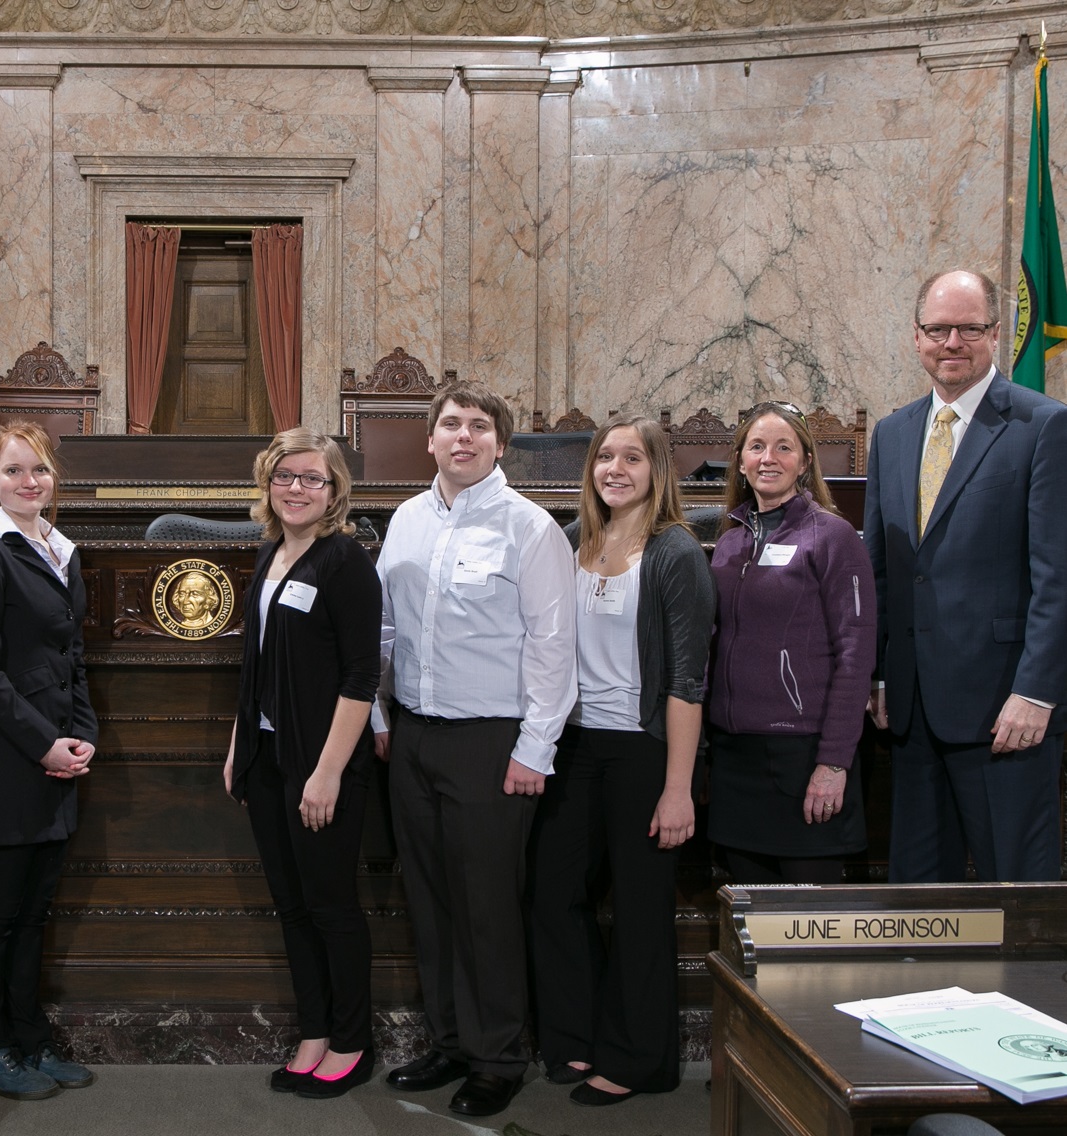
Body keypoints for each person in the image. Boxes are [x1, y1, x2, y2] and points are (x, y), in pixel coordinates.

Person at [373, 380, 577, 1118]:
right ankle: (450, 1040)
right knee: (428, 901)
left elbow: (554, 648)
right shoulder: (403, 520)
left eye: (479, 426)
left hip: (494, 742)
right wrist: (376, 715)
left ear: (500, 443)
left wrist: (534, 749)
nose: (463, 436)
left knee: (486, 905)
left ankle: (498, 1055)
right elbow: (384, 631)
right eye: (450, 424)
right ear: (429, 439)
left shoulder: (530, 529)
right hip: (414, 735)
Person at [528, 414, 712, 1107]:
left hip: (644, 749)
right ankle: (573, 1037)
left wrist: (677, 789)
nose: (614, 468)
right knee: (553, 896)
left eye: (630, 458)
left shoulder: (674, 554)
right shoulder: (574, 540)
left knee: (637, 910)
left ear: (655, 470)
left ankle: (640, 1058)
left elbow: (686, 682)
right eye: (604, 456)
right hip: (572, 746)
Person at [866, 269, 1067, 883]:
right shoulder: (892, 433)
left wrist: (1035, 693)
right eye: (938, 329)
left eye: (969, 329)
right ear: (917, 336)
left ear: (996, 333)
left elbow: (1056, 576)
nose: (952, 342)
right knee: (920, 904)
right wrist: (880, 673)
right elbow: (882, 572)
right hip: (911, 709)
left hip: (1004, 710)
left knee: (1018, 895)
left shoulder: (1043, 426)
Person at [223, 428, 382, 1100]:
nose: (295, 488)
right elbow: (255, 662)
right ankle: (312, 1030)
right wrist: (237, 746)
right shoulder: (270, 555)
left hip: (321, 766)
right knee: (291, 907)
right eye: (284, 476)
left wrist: (326, 773)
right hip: (266, 760)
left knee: (330, 906)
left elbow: (359, 675)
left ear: (334, 491)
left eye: (311, 479)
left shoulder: (344, 563)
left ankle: (350, 1039)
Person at [0, 422, 98, 1100]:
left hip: (60, 762)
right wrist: (43, 744)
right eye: (12, 471)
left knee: (34, 916)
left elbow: (72, 659)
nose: (27, 482)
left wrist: (84, 734)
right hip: (8, 763)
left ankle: (30, 1042)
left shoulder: (61, 550)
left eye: (37, 470)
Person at [705, 403, 875, 885]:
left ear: (804, 462)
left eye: (784, 447)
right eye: (756, 447)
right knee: (747, 925)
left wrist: (833, 762)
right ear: (739, 461)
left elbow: (856, 654)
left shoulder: (833, 537)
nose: (769, 458)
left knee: (809, 928)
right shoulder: (731, 541)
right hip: (736, 758)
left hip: (803, 759)